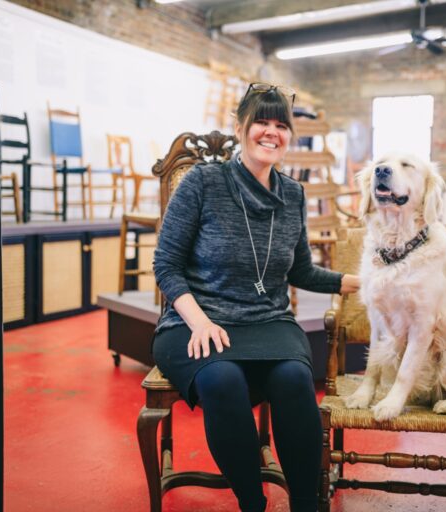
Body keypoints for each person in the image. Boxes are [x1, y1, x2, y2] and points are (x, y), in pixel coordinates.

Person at [152, 82, 360, 512]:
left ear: (289, 136)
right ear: (240, 127)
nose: (271, 132)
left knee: (295, 378)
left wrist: (356, 282)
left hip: (267, 320)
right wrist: (200, 322)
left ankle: (305, 503)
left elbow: (300, 271)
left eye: (280, 125)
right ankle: (252, 502)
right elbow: (166, 265)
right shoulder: (202, 183)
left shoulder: (293, 194)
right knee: (221, 379)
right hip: (196, 321)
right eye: (261, 122)